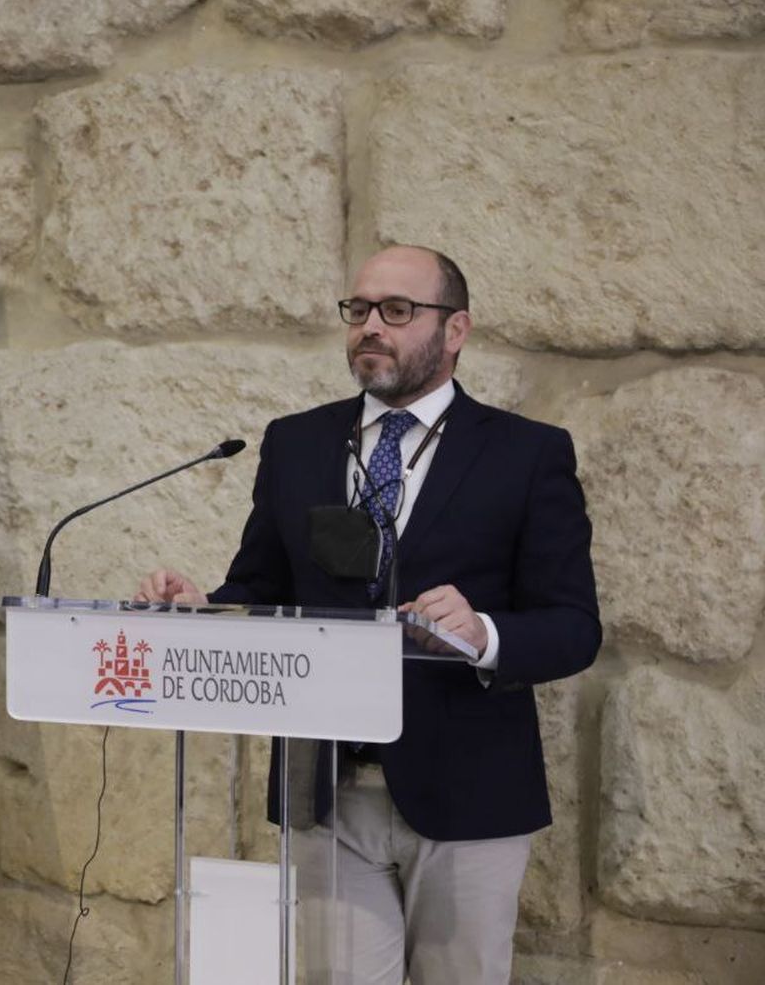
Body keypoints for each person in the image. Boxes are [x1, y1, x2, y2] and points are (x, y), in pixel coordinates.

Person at [137, 245, 600, 984]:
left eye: (397, 311)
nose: (370, 328)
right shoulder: (296, 442)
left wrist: (484, 634)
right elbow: (260, 586)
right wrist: (200, 611)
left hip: (468, 793)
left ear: (456, 331)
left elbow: (575, 626)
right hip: (326, 791)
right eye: (359, 310)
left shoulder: (527, 454)